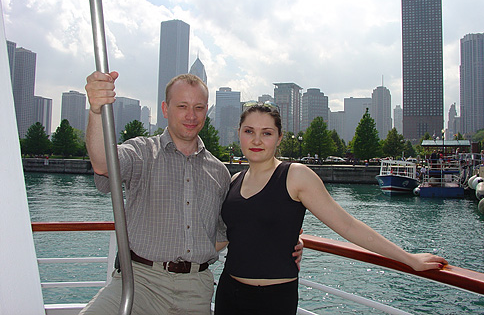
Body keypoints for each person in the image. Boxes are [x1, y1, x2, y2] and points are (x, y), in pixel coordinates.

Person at [82, 71, 302, 315]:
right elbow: (103, 163)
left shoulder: (219, 172)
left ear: (206, 112)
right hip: (139, 281)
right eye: (182, 106)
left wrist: (283, 240)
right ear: (165, 109)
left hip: (195, 289)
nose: (191, 115)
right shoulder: (141, 152)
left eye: (198, 107)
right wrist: (96, 110)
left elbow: (230, 229)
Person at [214, 102, 448, 315]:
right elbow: (226, 237)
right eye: (249, 131)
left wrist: (408, 258)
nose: (256, 140)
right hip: (229, 294)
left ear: (279, 138)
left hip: (274, 299)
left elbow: (347, 225)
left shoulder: (295, 176)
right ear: (239, 134)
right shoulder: (234, 181)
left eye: (266, 133)